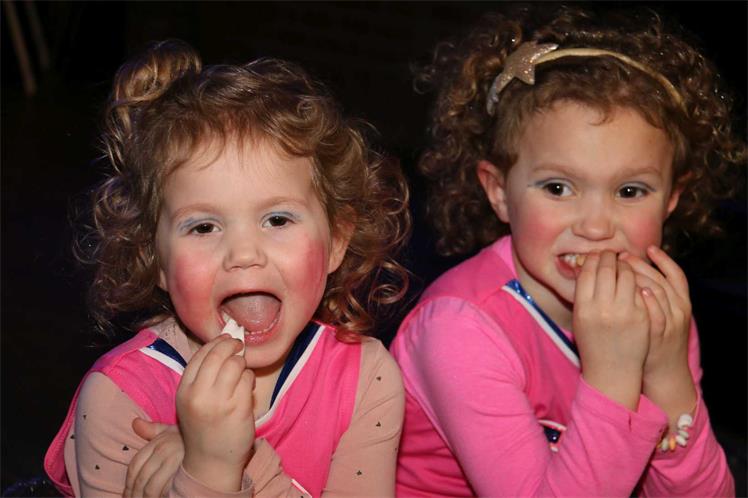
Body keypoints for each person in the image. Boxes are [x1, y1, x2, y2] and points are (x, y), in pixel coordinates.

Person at [390, 4, 744, 497]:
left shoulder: (659, 313)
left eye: (630, 191)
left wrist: (667, 376)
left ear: (672, 199)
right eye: (558, 188)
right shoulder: (459, 329)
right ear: (499, 191)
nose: (596, 226)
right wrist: (614, 376)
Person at [44, 39, 410, 497]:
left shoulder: (365, 378)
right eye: (203, 227)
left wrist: (230, 464)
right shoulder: (120, 398)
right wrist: (211, 471)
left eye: (277, 220)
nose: (243, 253)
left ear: (336, 240)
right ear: (156, 259)